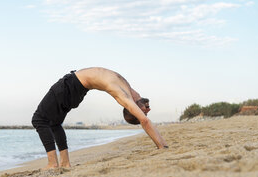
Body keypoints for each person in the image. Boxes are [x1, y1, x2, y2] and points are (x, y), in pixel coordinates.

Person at [32, 67, 168, 169]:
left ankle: (52, 163)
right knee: (55, 123)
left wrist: (161, 146)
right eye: (146, 109)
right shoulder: (131, 92)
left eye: (144, 111)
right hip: (77, 89)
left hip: (70, 86)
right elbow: (141, 100)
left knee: (39, 119)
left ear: (133, 110)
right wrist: (143, 105)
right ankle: (65, 163)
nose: (147, 109)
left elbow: (144, 121)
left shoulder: (123, 95)